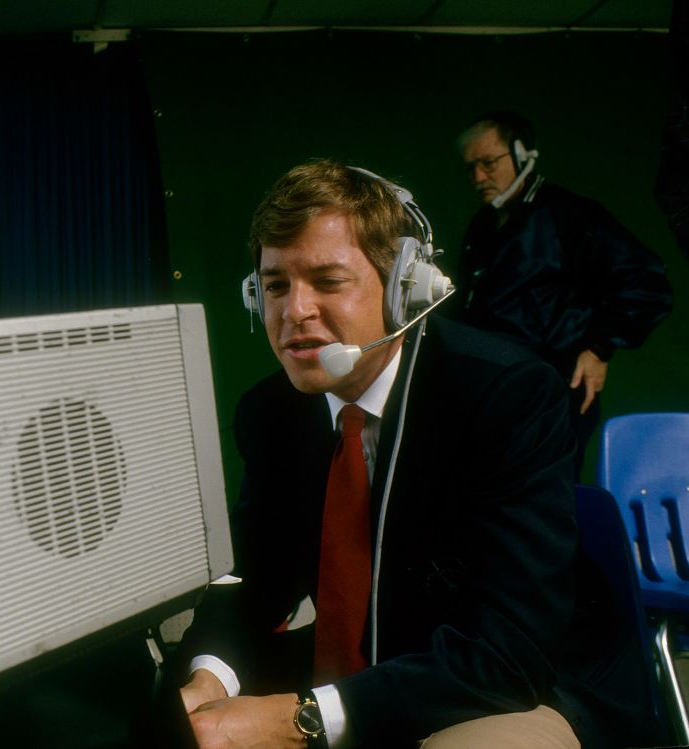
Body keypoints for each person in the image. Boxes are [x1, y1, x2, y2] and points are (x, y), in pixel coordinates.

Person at [175, 159, 657, 748]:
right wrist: (207, 681)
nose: (293, 311)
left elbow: (508, 652)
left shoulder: (507, 394)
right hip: (378, 671)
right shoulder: (270, 411)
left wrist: (300, 719)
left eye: (328, 281)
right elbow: (253, 577)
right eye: (275, 285)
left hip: (526, 681)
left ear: (407, 289)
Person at [454, 111, 672, 477]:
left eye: (489, 163)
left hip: (552, 391)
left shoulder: (568, 214)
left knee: (546, 499)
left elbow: (646, 280)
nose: (478, 177)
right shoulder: (483, 227)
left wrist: (600, 348)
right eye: (470, 168)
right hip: (495, 395)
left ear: (523, 153)